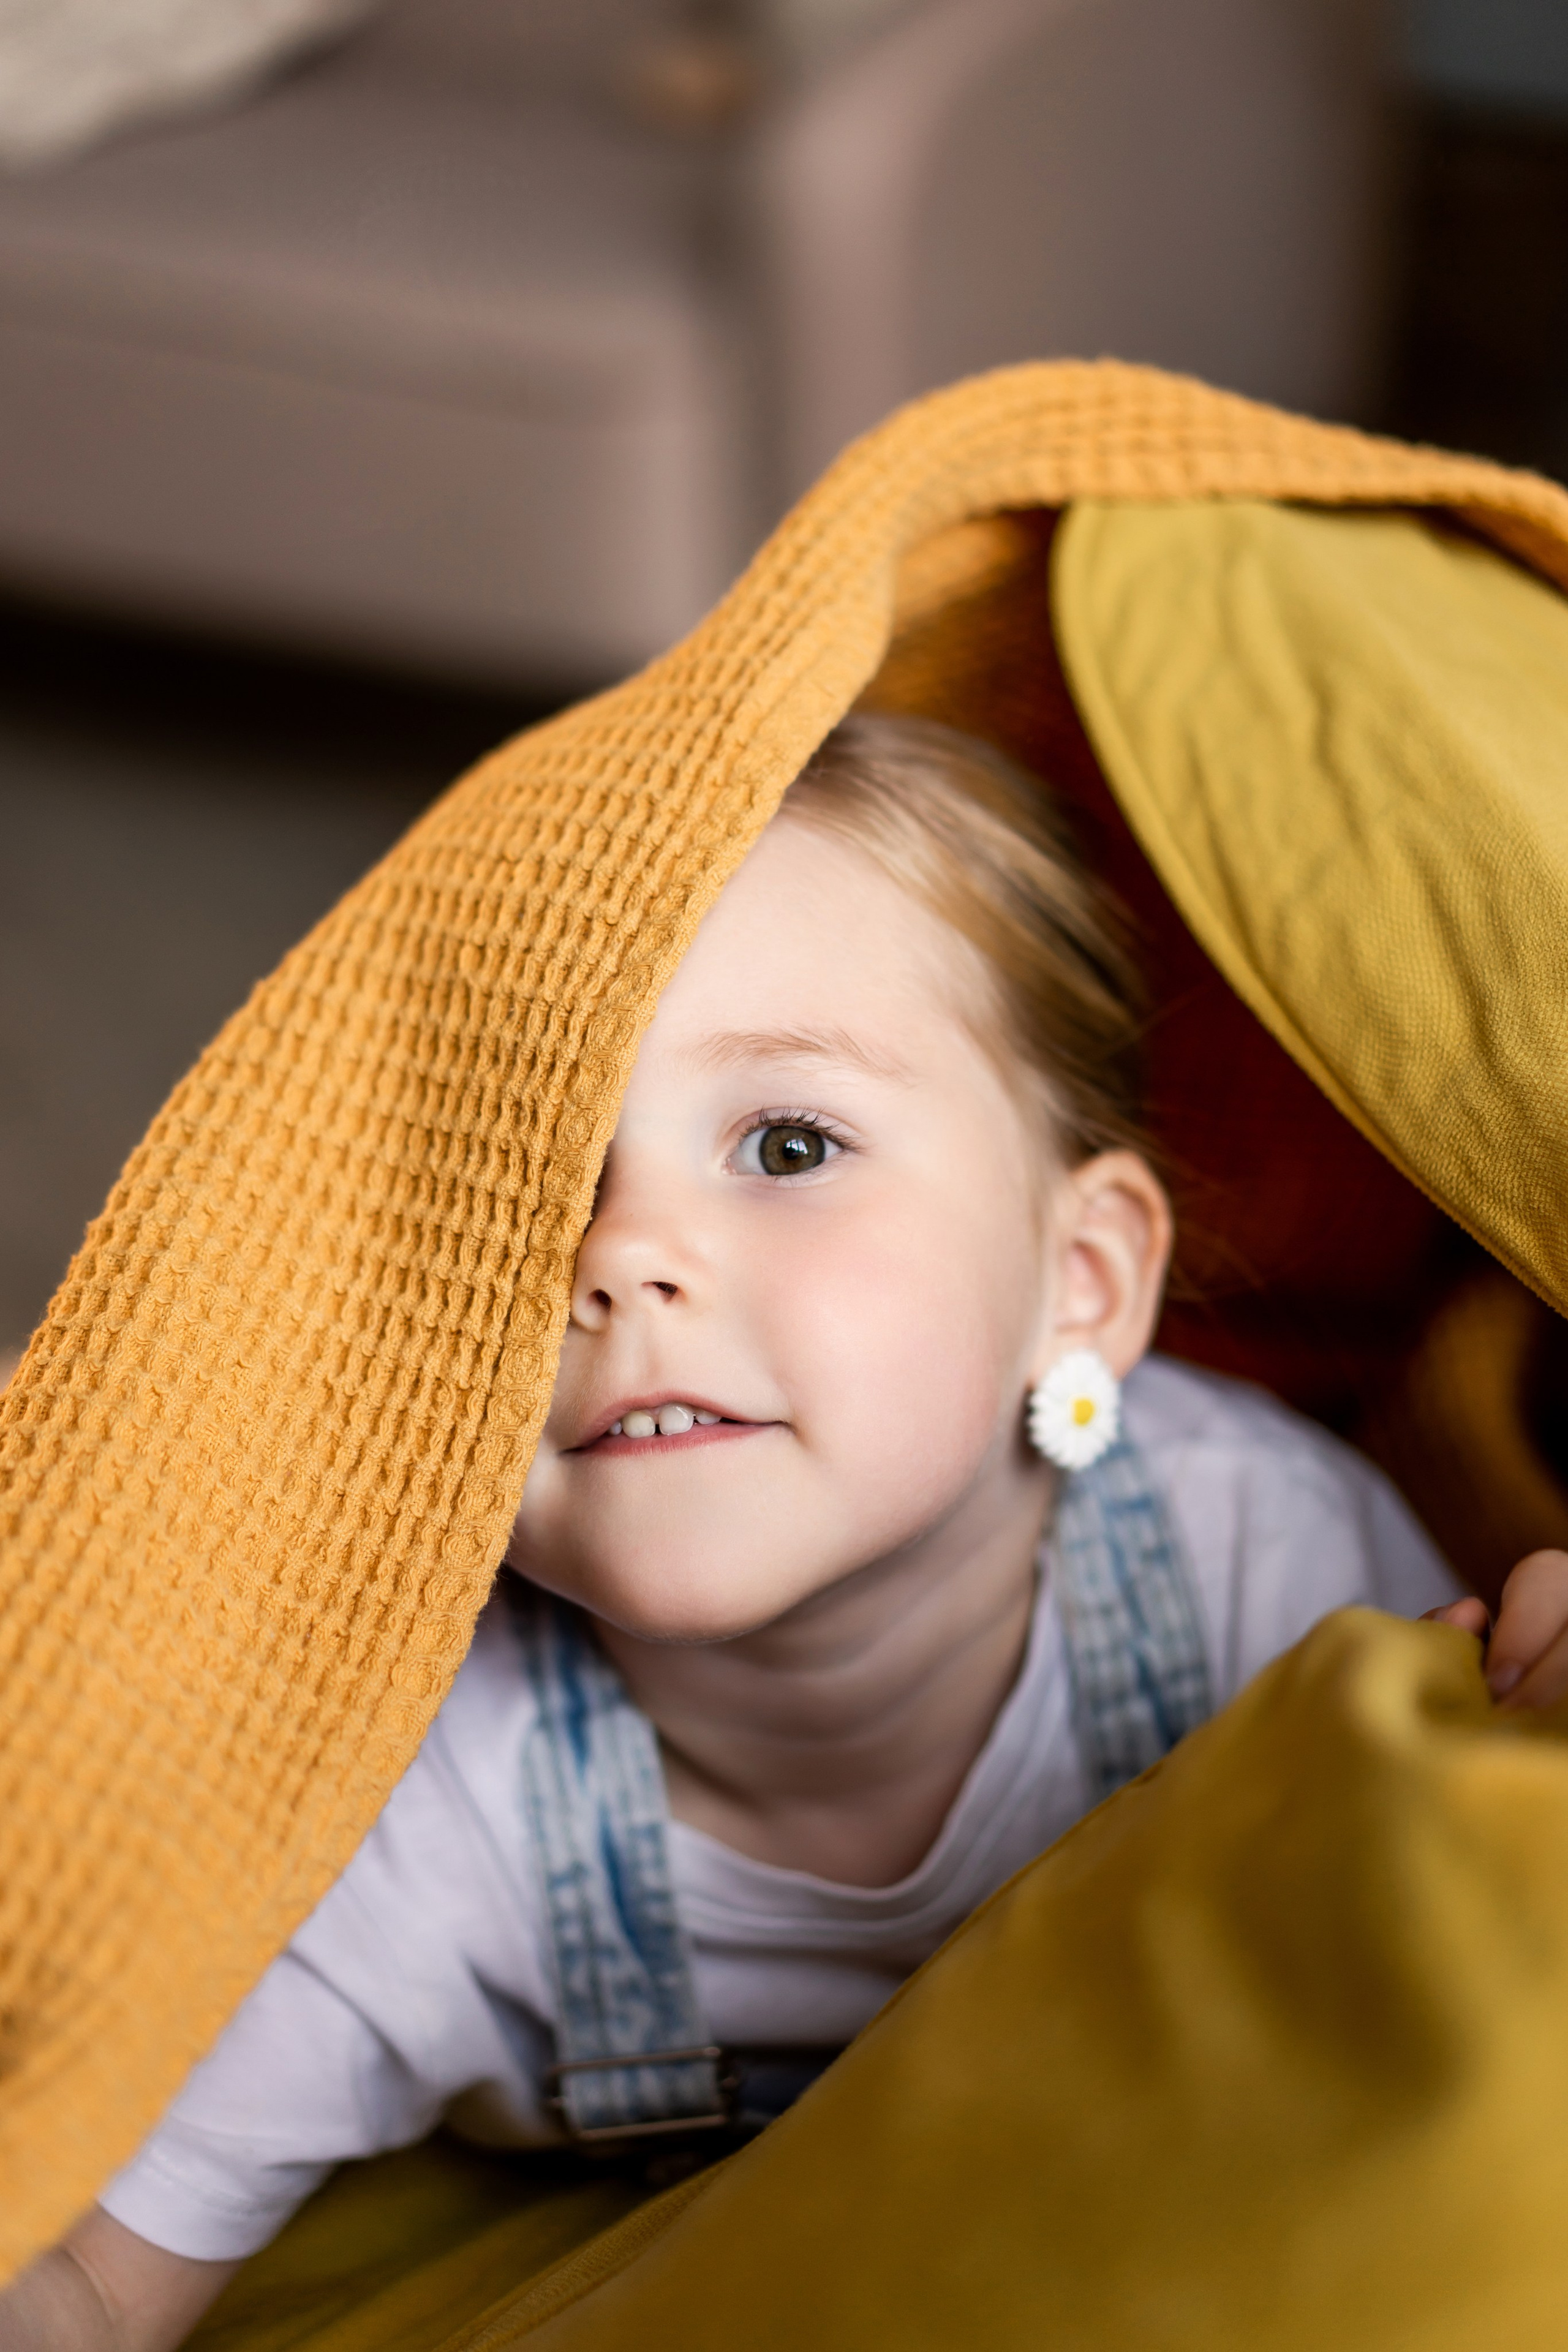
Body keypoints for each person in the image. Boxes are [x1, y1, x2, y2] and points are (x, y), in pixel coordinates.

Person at [5, 711, 1566, 2352]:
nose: (620, 1257)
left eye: (788, 1144)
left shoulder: (1271, 1568)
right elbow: (99, 2279)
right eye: (531, 1180)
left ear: (1080, 1283)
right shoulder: (402, 1792)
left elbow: (1447, 1971)